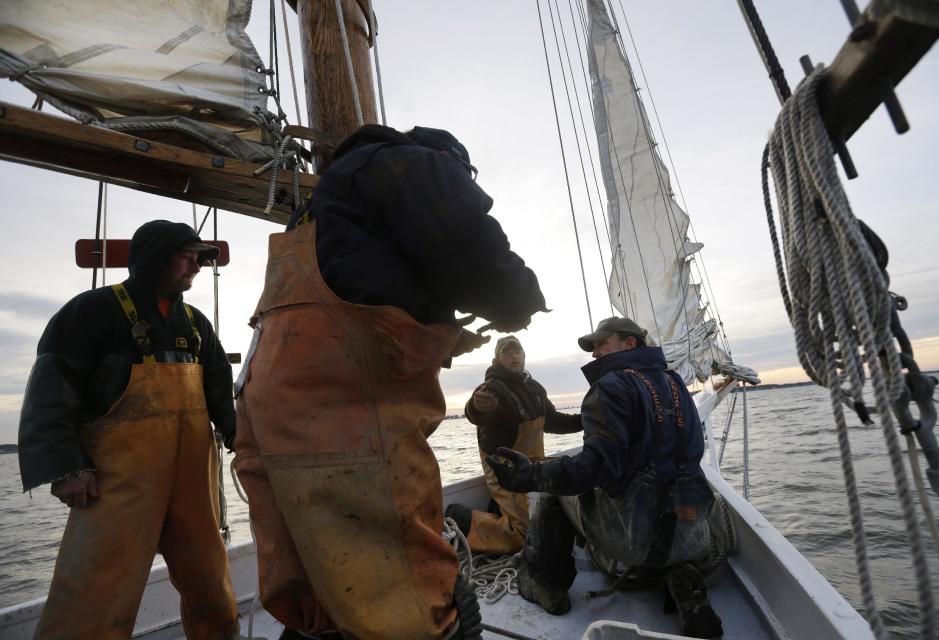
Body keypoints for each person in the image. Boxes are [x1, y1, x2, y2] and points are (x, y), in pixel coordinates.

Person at [234, 124, 547, 640]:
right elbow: (469, 247)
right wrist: (519, 299)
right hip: (340, 398)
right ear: (448, 160)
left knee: (312, 586)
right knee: (407, 598)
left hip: (267, 395)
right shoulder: (411, 163)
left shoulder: (321, 206)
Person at [18, 220, 239, 639]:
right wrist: (67, 467)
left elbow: (218, 388)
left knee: (211, 582)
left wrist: (237, 436)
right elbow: (52, 388)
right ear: (153, 258)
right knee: (95, 590)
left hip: (192, 480)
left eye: (199, 257)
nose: (195, 265)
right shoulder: (91, 311)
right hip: (115, 481)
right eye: (185, 255)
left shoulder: (195, 323)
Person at [487, 316, 725, 639]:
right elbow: (691, 453)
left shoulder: (610, 388)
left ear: (629, 344)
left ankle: (545, 584)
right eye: (593, 346)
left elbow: (593, 470)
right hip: (689, 533)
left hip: (636, 538)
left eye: (602, 343)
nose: (595, 352)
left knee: (554, 486)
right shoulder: (676, 384)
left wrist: (531, 474)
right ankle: (682, 576)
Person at [445, 335, 580, 555]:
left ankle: (498, 510)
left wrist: (587, 420)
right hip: (505, 471)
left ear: (524, 356)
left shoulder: (535, 388)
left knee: (561, 507)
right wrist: (476, 406)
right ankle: (460, 518)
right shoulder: (491, 389)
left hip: (534, 467)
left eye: (517, 351)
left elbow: (553, 421)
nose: (513, 355)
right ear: (497, 360)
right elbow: (477, 413)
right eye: (506, 352)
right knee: (528, 534)